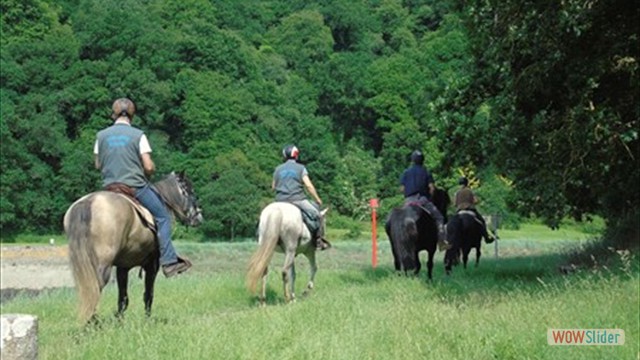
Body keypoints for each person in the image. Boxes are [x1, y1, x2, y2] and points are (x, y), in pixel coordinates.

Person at [94, 98, 191, 277]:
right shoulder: (138, 135)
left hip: (109, 188)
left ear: (113, 114)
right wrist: (151, 169)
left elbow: (98, 165)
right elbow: (148, 166)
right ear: (132, 115)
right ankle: (169, 262)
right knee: (162, 217)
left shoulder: (101, 136)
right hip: (134, 187)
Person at [272, 145, 330, 250]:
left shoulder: (278, 169)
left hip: (280, 200)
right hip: (297, 199)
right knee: (318, 216)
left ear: (284, 156)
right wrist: (317, 199)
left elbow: (273, 187)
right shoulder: (301, 168)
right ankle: (318, 240)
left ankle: (259, 236)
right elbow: (309, 185)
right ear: (296, 155)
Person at [400, 150, 450, 251]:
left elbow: (402, 189)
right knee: (439, 217)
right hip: (422, 200)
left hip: (409, 201)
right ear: (422, 160)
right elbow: (432, 188)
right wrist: (430, 197)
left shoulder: (406, 172)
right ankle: (442, 242)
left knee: (400, 219)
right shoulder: (426, 172)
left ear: (412, 160)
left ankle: (401, 242)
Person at [454, 177, 495, 244]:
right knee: (482, 222)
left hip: (459, 211)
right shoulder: (470, 191)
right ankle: (486, 237)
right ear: (467, 183)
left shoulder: (457, 192)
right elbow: (475, 201)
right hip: (470, 210)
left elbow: (455, 204)